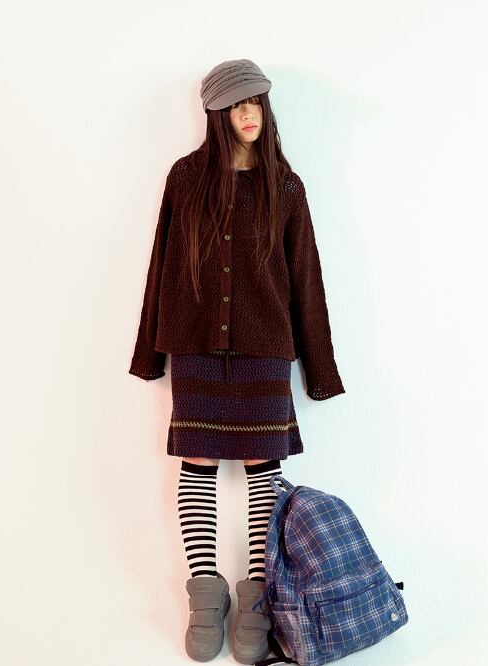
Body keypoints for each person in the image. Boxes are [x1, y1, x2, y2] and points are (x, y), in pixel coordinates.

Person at [128, 58, 345, 663]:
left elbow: (306, 277)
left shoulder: (286, 186)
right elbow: (162, 264)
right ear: (216, 115)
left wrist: (320, 371)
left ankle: (257, 595)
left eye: (256, 104)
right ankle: (205, 593)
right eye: (236, 106)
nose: (249, 115)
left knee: (261, 467)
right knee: (197, 462)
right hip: (196, 343)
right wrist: (149, 354)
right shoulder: (186, 178)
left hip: (264, 348)